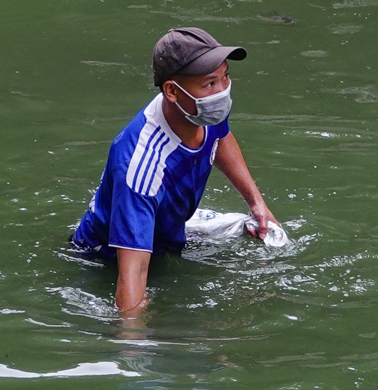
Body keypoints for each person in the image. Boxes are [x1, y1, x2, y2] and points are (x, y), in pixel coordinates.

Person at [71, 27, 277, 317]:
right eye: (209, 83)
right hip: (108, 255)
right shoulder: (141, 166)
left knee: (270, 237)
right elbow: (133, 275)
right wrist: (133, 347)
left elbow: (221, 137)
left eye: (226, 76)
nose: (222, 90)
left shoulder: (202, 107)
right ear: (171, 91)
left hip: (170, 228)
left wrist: (257, 203)